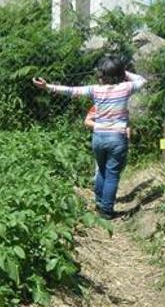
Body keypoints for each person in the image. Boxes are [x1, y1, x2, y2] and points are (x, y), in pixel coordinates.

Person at [33, 56, 146, 219]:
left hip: (99, 137)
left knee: (101, 170)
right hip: (117, 137)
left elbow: (71, 90)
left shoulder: (95, 90)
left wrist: (47, 86)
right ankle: (106, 212)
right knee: (112, 174)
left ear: (103, 74)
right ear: (120, 74)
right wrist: (123, 72)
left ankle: (99, 203)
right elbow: (142, 80)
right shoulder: (126, 88)